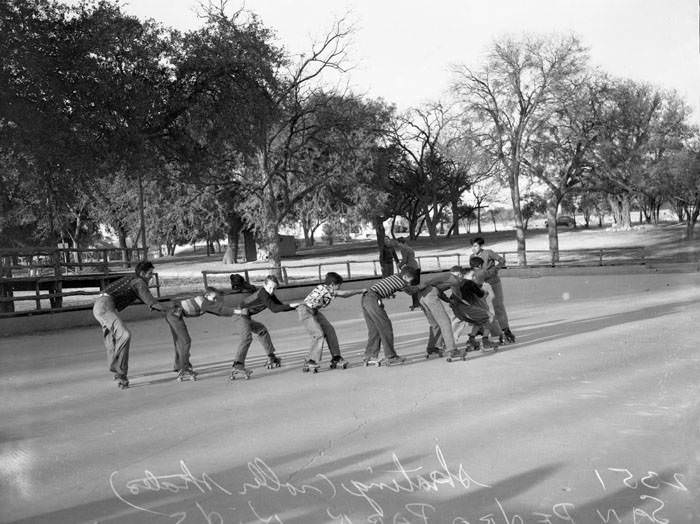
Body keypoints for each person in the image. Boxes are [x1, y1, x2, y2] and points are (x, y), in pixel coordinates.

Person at [92, 261, 163, 389]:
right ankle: (121, 374)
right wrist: (169, 310)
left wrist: (154, 305)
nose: (151, 276)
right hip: (105, 306)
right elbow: (151, 301)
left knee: (112, 338)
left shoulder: (134, 280)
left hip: (100, 306)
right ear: (142, 273)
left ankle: (115, 369)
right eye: (150, 273)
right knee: (124, 335)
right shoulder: (139, 282)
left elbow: (145, 298)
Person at [165, 287, 249, 381]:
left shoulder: (205, 301)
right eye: (213, 298)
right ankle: (183, 369)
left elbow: (218, 311)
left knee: (180, 342)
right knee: (185, 341)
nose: (215, 300)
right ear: (206, 295)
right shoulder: (205, 302)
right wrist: (239, 311)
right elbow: (220, 310)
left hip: (173, 313)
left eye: (216, 298)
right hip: (174, 315)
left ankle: (179, 366)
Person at [230, 275, 299, 379]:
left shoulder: (269, 294)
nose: (271, 291)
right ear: (264, 285)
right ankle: (238, 364)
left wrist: (296, 307)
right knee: (246, 338)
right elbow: (274, 308)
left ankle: (271, 357)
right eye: (270, 287)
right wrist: (291, 306)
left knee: (262, 330)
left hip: (245, 316)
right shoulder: (263, 293)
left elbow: (279, 305)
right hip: (239, 315)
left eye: (274, 288)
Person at [298, 272, 366, 372]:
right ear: (332, 285)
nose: (339, 288)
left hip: (314, 312)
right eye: (339, 286)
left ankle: (336, 357)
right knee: (318, 334)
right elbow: (343, 294)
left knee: (330, 330)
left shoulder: (326, 288)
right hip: (305, 311)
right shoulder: (325, 289)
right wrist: (360, 291)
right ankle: (310, 360)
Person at [361, 267, 419, 366]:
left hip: (366, 298)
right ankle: (391, 356)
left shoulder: (395, 277)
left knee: (374, 329)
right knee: (385, 327)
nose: (410, 283)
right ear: (405, 276)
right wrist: (425, 285)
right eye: (410, 280)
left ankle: (369, 356)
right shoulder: (401, 282)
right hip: (373, 299)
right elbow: (411, 291)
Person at [471, 237, 515, 342]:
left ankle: (505, 329)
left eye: (476, 246)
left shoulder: (488, 253)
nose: (474, 248)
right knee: (481, 307)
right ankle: (484, 330)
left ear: (480, 246)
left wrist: (496, 268)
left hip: (494, 283)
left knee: (498, 306)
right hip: (481, 285)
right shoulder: (472, 257)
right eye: (472, 246)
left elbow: (502, 260)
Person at [450, 264, 501, 351]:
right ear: (463, 275)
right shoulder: (469, 283)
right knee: (490, 317)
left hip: (458, 311)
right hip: (467, 310)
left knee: (478, 321)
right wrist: (485, 291)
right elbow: (481, 295)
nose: (474, 277)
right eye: (472, 275)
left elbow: (452, 298)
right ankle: (485, 341)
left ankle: (471, 340)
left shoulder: (455, 284)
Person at [416, 267, 462, 359]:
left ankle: (432, 348)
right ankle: (452, 350)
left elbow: (439, 291)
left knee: (435, 324)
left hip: (420, 296)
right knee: (445, 323)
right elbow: (457, 295)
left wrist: (448, 300)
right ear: (460, 274)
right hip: (430, 295)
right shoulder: (455, 279)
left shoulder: (445, 276)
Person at [386, 237, 421, 309]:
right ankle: (417, 303)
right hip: (416, 266)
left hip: (411, 268)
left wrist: (400, 265)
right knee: (416, 285)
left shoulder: (403, 249)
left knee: (412, 287)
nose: (398, 245)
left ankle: (416, 303)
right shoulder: (410, 248)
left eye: (398, 243)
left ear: (400, 243)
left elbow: (404, 260)